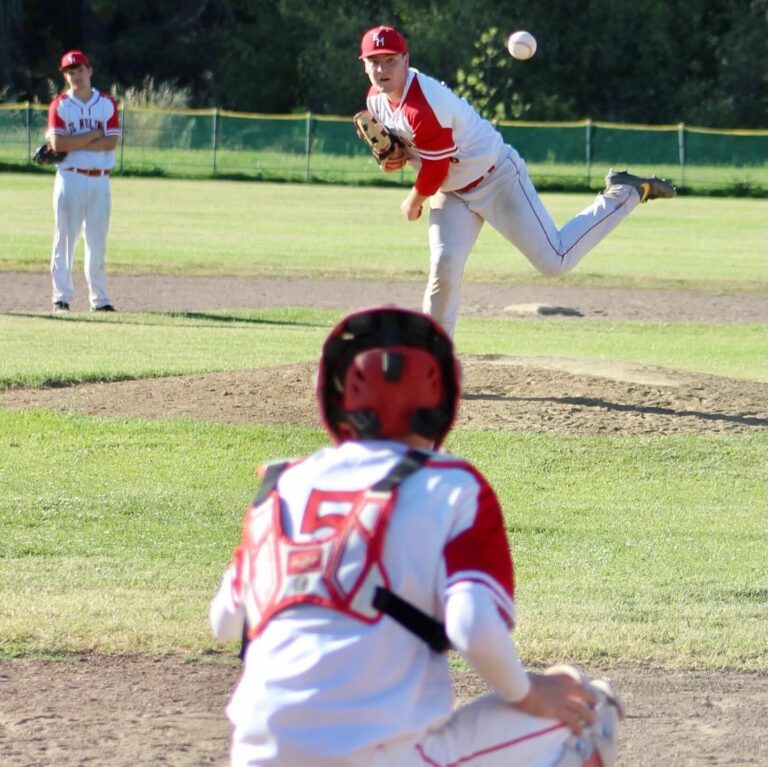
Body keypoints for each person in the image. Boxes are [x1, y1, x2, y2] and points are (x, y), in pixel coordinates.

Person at [209, 305, 624, 767]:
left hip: (257, 754)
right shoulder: (453, 484)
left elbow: (224, 622)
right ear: (444, 400)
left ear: (333, 395)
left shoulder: (281, 484)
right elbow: (472, 626)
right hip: (385, 758)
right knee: (590, 705)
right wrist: (530, 694)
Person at [358, 26, 676, 337]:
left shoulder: (423, 104)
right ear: (364, 65)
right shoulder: (375, 100)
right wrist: (395, 158)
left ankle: (625, 192)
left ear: (406, 59)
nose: (382, 69)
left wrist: (413, 201)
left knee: (556, 262)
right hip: (453, 193)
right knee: (444, 265)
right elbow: (410, 154)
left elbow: (436, 167)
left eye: (390, 60)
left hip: (497, 179)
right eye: (374, 61)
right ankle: (437, 361)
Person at [46, 49, 120, 313]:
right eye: (70, 72)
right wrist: (93, 135)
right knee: (65, 240)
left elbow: (111, 141)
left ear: (90, 71)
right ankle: (61, 297)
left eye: (79, 70)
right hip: (70, 178)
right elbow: (57, 143)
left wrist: (75, 142)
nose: (75, 76)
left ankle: (100, 300)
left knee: (97, 242)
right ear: (65, 77)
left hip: (100, 180)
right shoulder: (61, 105)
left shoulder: (106, 103)